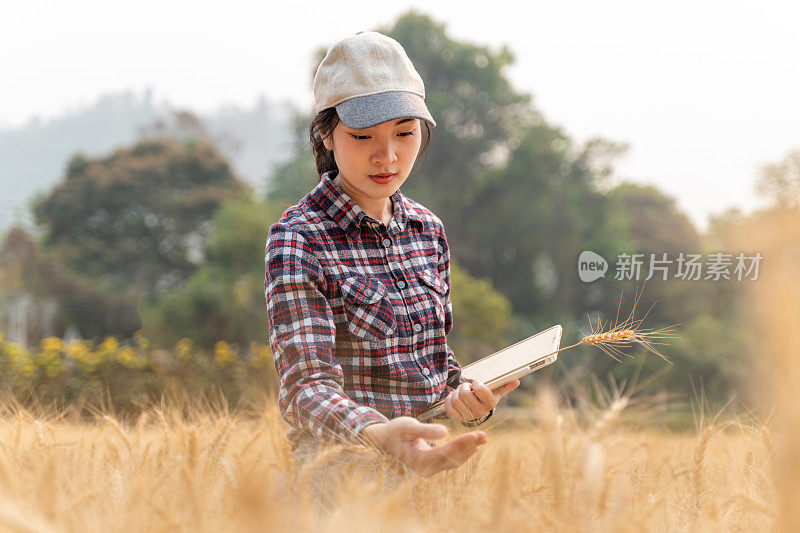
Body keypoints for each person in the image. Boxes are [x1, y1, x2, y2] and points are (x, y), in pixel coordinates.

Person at [264, 31, 519, 483]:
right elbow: (305, 387)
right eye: (363, 137)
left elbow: (437, 366)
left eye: (405, 133)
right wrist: (378, 433)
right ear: (326, 135)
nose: (388, 156)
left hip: (430, 479)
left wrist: (468, 399)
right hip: (339, 483)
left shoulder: (427, 231)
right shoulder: (298, 238)